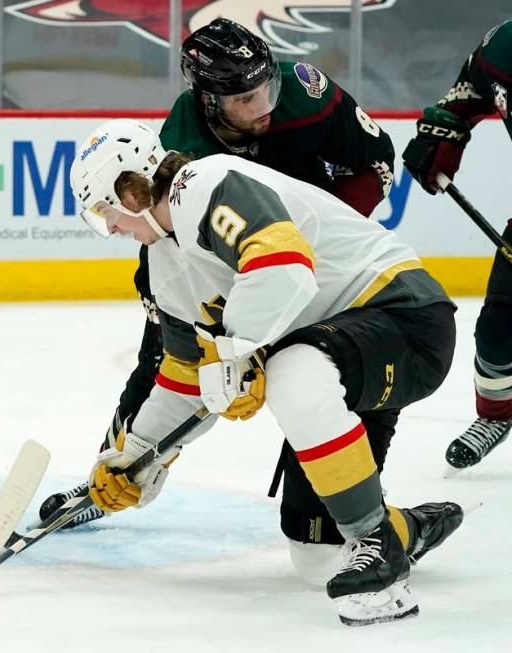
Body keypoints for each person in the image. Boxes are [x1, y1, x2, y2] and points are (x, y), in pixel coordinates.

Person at [70, 119, 460, 626]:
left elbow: (283, 266)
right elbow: (187, 380)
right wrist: (137, 457)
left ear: (132, 188)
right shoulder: (166, 264)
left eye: (107, 214)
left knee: (292, 369)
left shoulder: (207, 183)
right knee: (316, 554)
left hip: (404, 316)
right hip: (342, 359)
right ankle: (405, 529)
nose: (114, 229)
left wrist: (235, 353)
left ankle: (376, 541)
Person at [42, 19, 405, 561]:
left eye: (267, 90)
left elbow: (376, 159)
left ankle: (362, 510)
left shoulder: (303, 93)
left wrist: (320, 242)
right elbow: (159, 238)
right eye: (244, 98)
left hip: (307, 265)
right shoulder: (178, 144)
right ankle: (120, 469)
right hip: (233, 263)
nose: (264, 105)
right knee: (168, 357)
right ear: (208, 101)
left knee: (316, 378)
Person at [403, 19, 512, 470]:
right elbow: (474, 83)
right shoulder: (505, 46)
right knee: (496, 331)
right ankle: (497, 415)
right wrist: (445, 129)